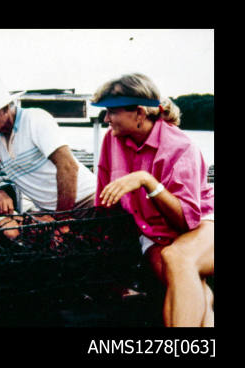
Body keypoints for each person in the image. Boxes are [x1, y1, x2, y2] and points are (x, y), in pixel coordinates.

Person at [91, 73, 214, 327]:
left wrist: (148, 181)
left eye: (111, 112)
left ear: (138, 113)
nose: (105, 119)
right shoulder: (111, 139)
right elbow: (105, 200)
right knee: (188, 283)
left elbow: (185, 222)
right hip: (153, 232)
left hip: (202, 221)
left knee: (179, 259)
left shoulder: (181, 147)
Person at [0, 78, 97, 214]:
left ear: (5, 108)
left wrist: (61, 219)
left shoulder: (35, 119)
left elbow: (67, 165)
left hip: (87, 201)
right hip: (52, 211)